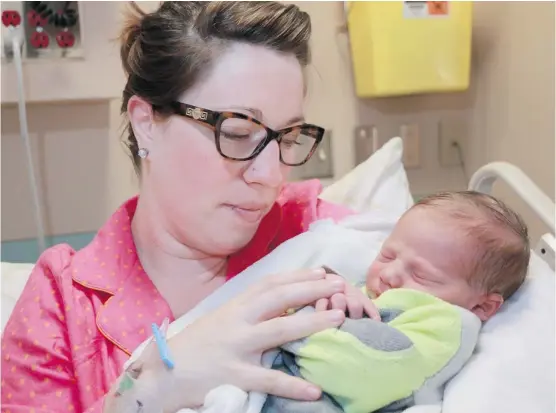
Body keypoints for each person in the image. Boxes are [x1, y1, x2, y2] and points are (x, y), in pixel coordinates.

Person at [0, 2, 359, 412]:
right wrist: (148, 394)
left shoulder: (317, 233)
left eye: (290, 137)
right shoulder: (64, 305)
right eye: (238, 132)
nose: (272, 174)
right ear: (147, 123)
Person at [264, 190, 530, 413]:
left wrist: (290, 326)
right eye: (387, 255)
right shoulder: (368, 288)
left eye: (421, 274)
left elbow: (366, 370)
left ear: (481, 306)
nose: (389, 275)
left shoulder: (445, 322)